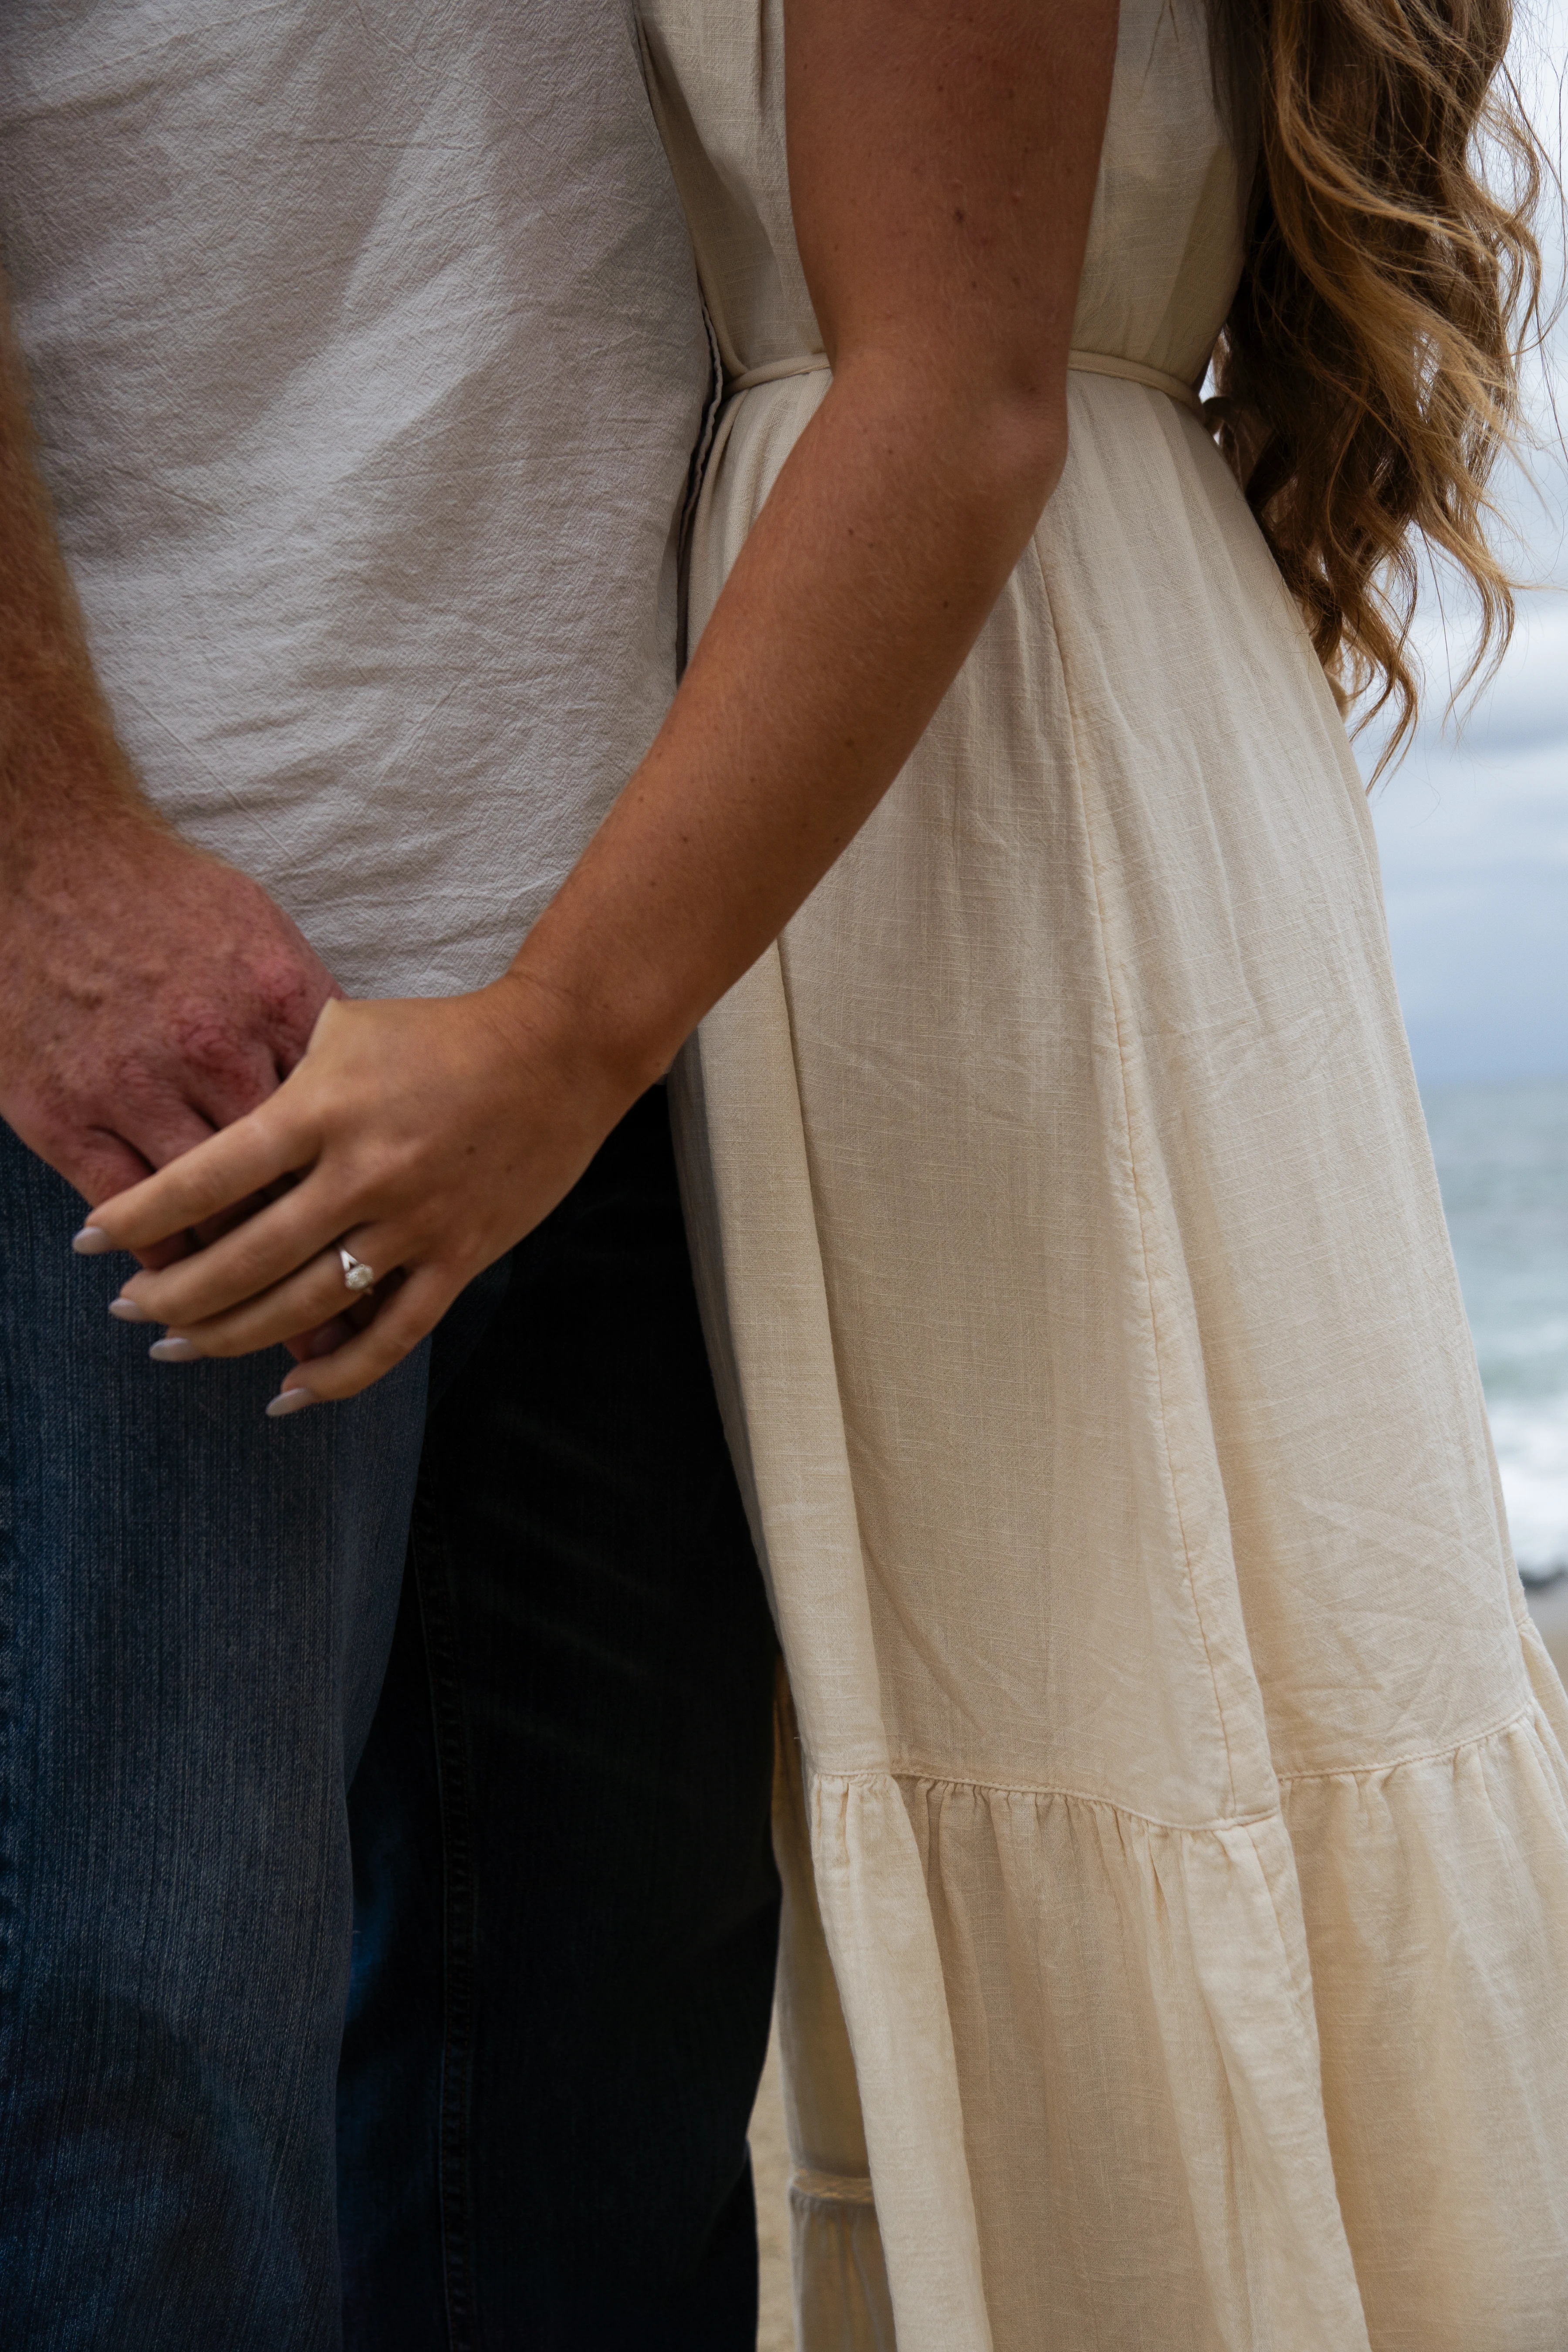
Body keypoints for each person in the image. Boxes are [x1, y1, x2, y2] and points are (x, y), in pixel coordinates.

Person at [36, 0, 1568, 2348]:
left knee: (639, 2052)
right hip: (707, 866)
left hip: (821, 864)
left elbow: (957, 373)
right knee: (201, 2095)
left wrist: (561, 1035)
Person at [0, 7, 782, 2346]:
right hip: (155, 1020)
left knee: (598, 2142)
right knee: (143, 2124)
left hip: (640, 1002)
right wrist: (37, 848)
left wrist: (602, 1013)